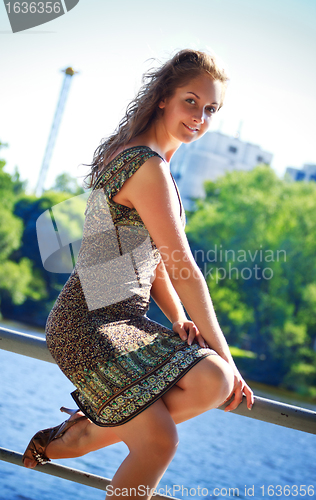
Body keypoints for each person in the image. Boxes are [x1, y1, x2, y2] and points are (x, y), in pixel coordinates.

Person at [23, 49, 254, 499]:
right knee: (162, 438)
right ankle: (78, 436)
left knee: (212, 381)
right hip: (88, 322)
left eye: (211, 109)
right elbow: (183, 268)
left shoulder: (145, 159)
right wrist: (229, 356)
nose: (201, 117)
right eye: (192, 101)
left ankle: (87, 429)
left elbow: (149, 260)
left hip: (124, 320)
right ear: (164, 97)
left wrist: (177, 317)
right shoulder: (146, 165)